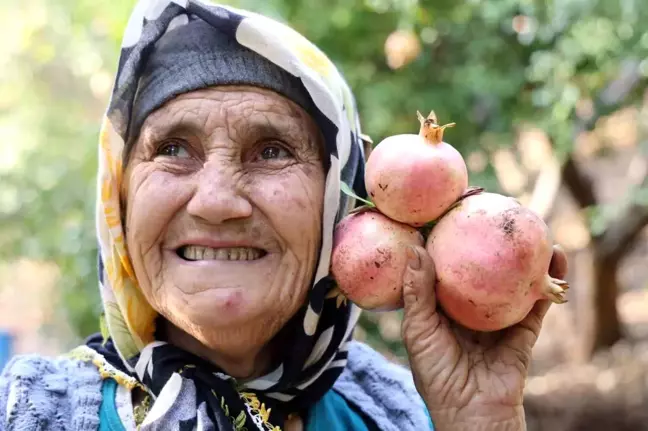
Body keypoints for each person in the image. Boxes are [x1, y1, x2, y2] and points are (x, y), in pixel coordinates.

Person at [0, 1, 568, 430]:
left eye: (272, 151)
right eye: (173, 149)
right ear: (119, 197)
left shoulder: (401, 415)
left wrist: (480, 421)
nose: (217, 201)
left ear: (337, 198)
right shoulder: (26, 412)